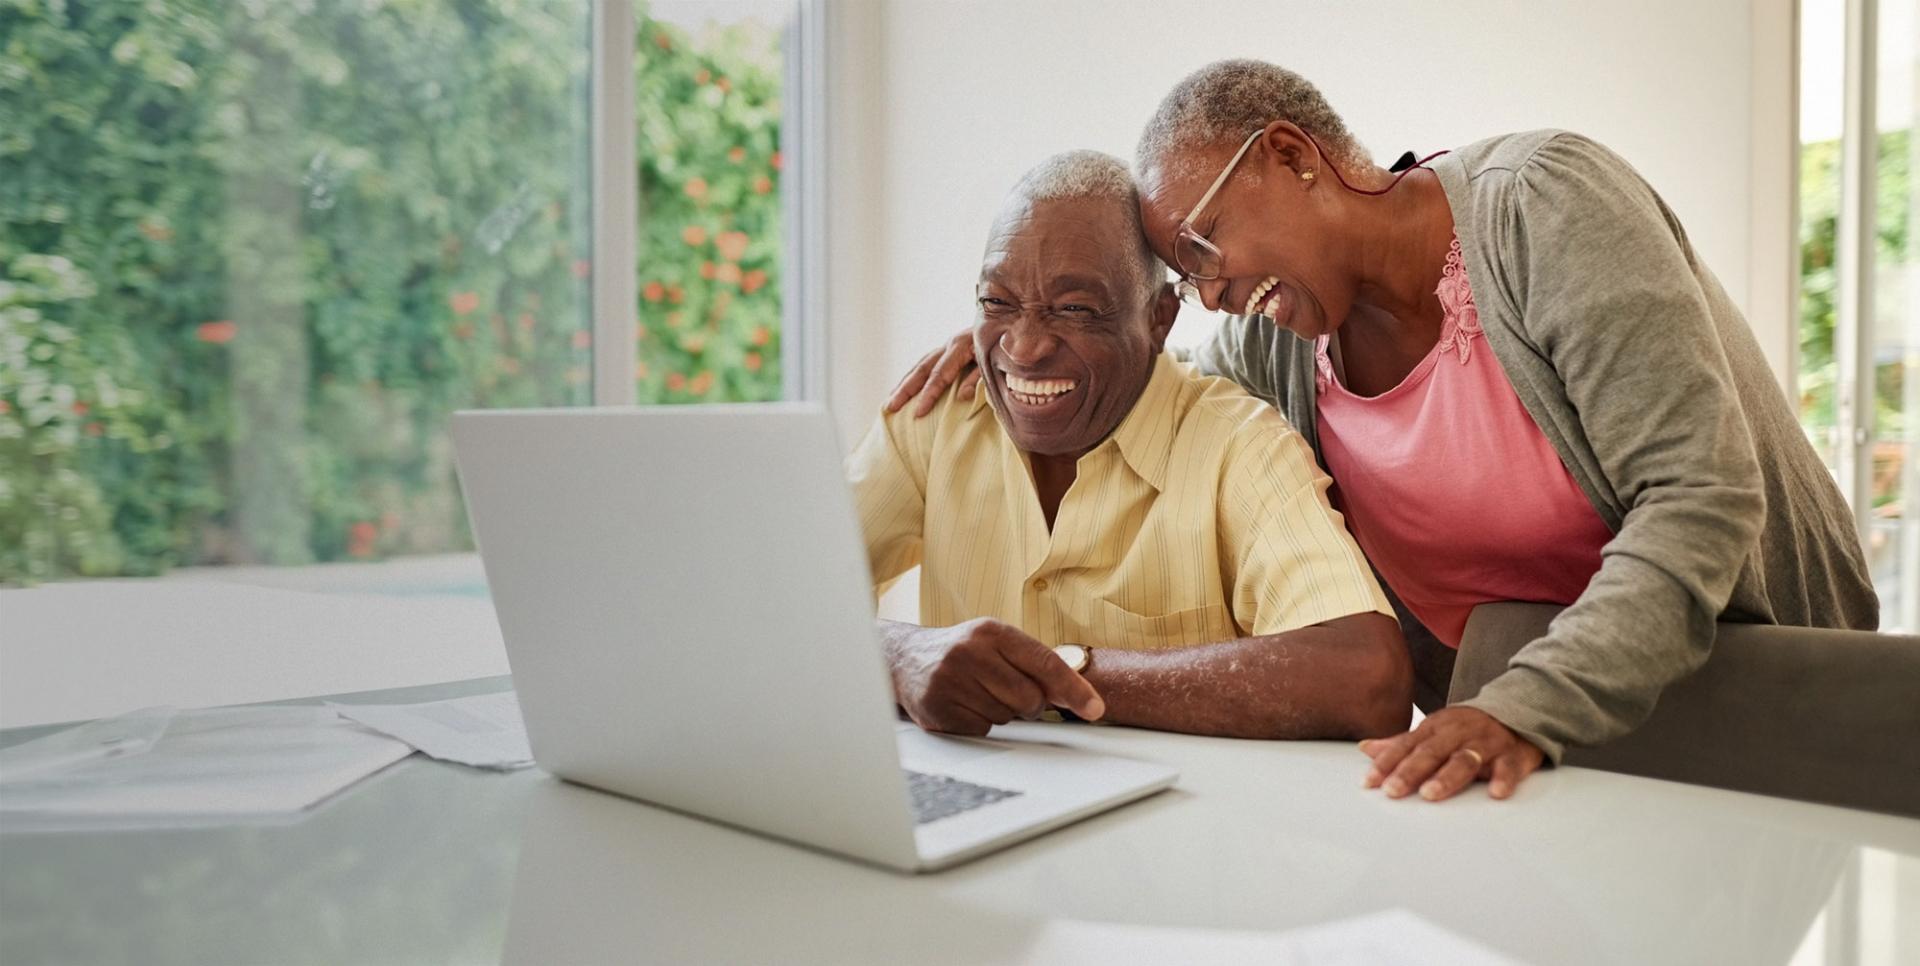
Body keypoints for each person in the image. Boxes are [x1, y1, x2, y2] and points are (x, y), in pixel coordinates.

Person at [888, 60, 1878, 802]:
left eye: (1202, 245)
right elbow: (1149, 381)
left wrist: (1521, 707)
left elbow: (1697, 495)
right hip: (1525, 747)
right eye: (1184, 278)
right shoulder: (1279, 348)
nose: (1212, 291)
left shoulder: (1543, 205)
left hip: (1751, 693)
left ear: (1291, 155)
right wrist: (1023, 341)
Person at [849, 149, 1410, 742]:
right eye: (998, 303)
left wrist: (1064, 674)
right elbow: (762, 598)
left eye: (1075, 309)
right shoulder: (935, 419)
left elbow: (1366, 677)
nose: (1024, 348)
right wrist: (899, 653)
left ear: (1159, 319)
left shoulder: (1240, 448)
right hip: (977, 818)